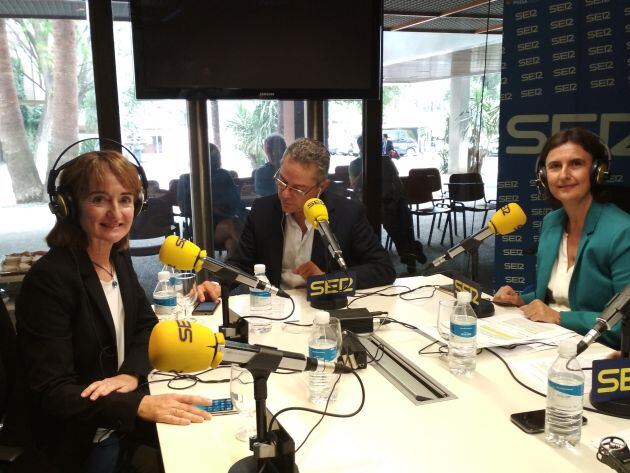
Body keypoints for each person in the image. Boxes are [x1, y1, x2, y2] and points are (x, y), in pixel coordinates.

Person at [16, 150, 221, 473]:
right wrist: (137, 404)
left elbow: (145, 326)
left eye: (125, 200)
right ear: (69, 206)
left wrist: (131, 374)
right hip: (82, 442)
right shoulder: (49, 280)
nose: (116, 213)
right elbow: (54, 391)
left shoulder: (116, 260)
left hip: (118, 423)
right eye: (100, 199)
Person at [493, 128, 630, 348]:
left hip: (596, 353)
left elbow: (624, 325)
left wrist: (559, 318)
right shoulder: (552, 222)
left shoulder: (622, 232)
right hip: (545, 341)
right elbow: (551, 297)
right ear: (543, 177)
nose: (564, 174)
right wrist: (520, 300)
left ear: (598, 171)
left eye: (576, 163)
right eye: (555, 166)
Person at [227, 138, 395, 289]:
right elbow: (240, 264)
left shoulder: (347, 213)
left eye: (298, 189)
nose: (285, 193)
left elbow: (383, 268)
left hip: (322, 307)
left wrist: (328, 281)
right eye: (282, 181)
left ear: (322, 187)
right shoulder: (262, 210)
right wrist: (216, 284)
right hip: (274, 306)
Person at [349, 136, 427, 272]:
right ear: (360, 147)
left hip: (389, 201)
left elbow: (398, 183)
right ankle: (410, 250)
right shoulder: (355, 164)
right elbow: (354, 186)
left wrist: (397, 199)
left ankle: (409, 253)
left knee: (402, 211)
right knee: (394, 221)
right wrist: (367, 167)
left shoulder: (385, 160)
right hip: (368, 203)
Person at [178, 143, 247, 255]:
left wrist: (222, 209)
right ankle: (255, 255)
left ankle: (229, 271)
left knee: (231, 243)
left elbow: (236, 203)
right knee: (233, 225)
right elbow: (184, 208)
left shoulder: (224, 175)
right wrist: (212, 209)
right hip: (201, 228)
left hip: (224, 221)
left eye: (213, 158)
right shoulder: (186, 179)